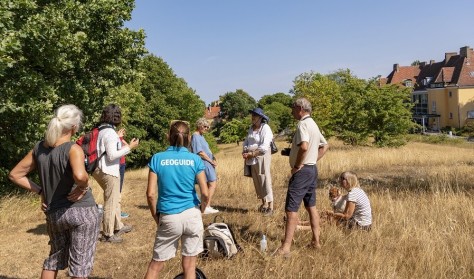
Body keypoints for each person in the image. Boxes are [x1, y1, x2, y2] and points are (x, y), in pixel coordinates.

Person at [9, 104, 99, 279]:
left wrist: (41, 190)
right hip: (82, 211)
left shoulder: (39, 148)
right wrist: (83, 187)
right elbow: (81, 176)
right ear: (74, 127)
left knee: (54, 259)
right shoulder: (73, 148)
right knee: (79, 267)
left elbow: (15, 174)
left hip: (54, 214)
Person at [144, 120, 209, 279]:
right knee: (189, 265)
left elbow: (150, 194)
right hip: (192, 214)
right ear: (188, 139)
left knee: (156, 265)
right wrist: (201, 209)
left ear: (168, 137)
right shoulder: (195, 159)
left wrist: (155, 215)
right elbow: (205, 193)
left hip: (168, 215)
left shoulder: (157, 158)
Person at [277, 97, 329, 256]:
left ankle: (286, 248)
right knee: (311, 206)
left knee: (291, 209)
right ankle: (316, 241)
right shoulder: (313, 123)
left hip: (302, 172)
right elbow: (325, 145)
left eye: (293, 108)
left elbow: (304, 146)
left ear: (300, 108)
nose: (291, 111)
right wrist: (312, 160)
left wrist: (298, 165)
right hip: (312, 170)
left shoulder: (303, 124)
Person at [93, 104, 139, 243]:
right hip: (108, 170)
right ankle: (108, 234)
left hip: (100, 169)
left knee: (114, 199)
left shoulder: (101, 130)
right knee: (111, 202)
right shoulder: (110, 133)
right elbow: (112, 156)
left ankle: (118, 226)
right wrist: (129, 147)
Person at [242, 108, 275, 216]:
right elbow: (246, 142)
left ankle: (271, 206)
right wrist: (245, 151)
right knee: (257, 180)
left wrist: (253, 153)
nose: (253, 117)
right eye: (252, 115)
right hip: (251, 158)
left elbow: (264, 146)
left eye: (255, 116)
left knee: (265, 179)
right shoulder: (251, 128)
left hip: (262, 156)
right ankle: (264, 204)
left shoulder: (265, 128)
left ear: (261, 118)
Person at [191, 118, 219, 214]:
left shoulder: (201, 136)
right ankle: (206, 206)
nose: (207, 128)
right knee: (212, 183)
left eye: (208, 127)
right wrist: (211, 161)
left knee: (208, 184)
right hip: (204, 163)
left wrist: (213, 159)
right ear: (199, 125)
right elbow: (200, 152)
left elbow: (206, 150)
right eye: (205, 126)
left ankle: (206, 205)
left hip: (208, 162)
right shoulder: (195, 136)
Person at [117, 128, 129, 218]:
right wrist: (118, 138)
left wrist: (121, 139)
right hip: (117, 165)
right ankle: (117, 212)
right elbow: (117, 149)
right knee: (117, 189)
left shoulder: (120, 140)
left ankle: (118, 211)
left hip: (122, 165)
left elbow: (128, 148)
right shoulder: (115, 140)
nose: (122, 134)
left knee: (119, 189)